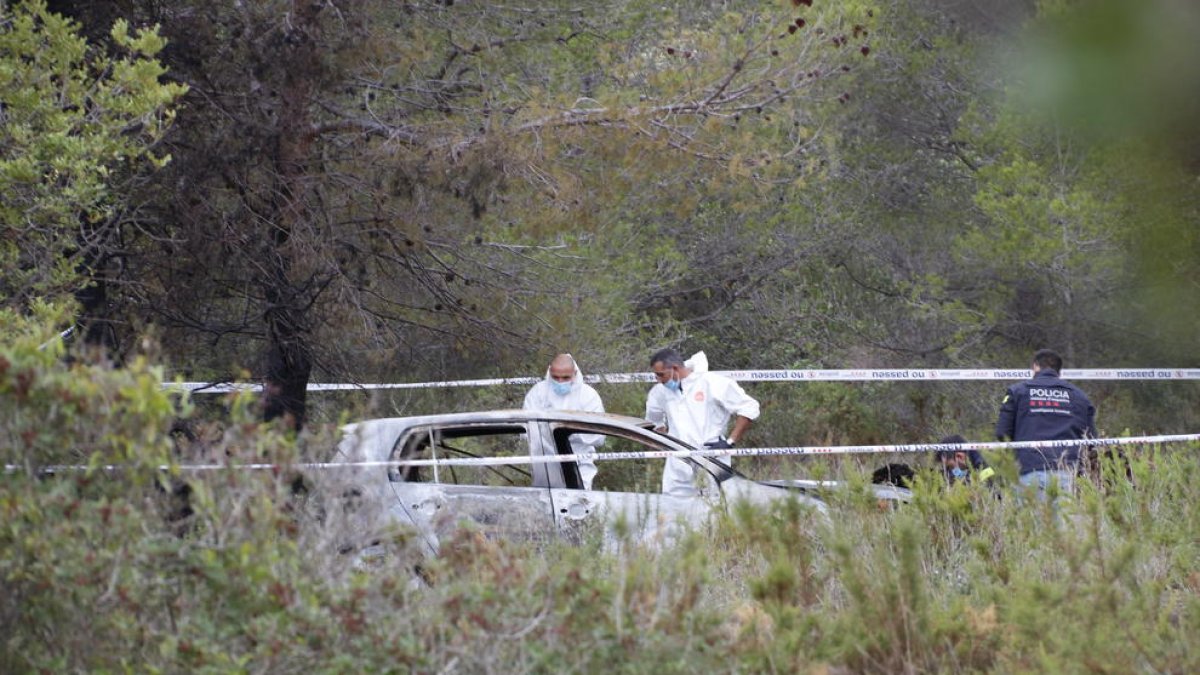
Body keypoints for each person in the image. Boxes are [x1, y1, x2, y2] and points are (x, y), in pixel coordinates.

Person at [645, 348, 760, 497]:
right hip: (677, 464)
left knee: (713, 509)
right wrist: (663, 445)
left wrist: (730, 442)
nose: (658, 379)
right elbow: (653, 422)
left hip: (711, 458)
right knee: (674, 509)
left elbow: (749, 407)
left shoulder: (712, 383)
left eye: (661, 374)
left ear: (674, 369)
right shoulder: (659, 392)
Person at [995, 349, 1097, 500]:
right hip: (1068, 473)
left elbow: (1002, 433)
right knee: (1065, 523)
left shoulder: (1017, 392)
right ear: (1059, 371)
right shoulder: (1080, 396)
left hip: (1029, 470)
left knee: (1030, 523)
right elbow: (1092, 440)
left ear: (1035, 367)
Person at [523, 353, 605, 489]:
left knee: (580, 503)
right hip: (545, 464)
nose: (560, 382)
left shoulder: (588, 396)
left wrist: (567, 432)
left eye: (566, 377)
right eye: (556, 377)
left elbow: (598, 436)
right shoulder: (537, 393)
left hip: (580, 464)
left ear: (575, 373)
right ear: (549, 372)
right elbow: (526, 430)